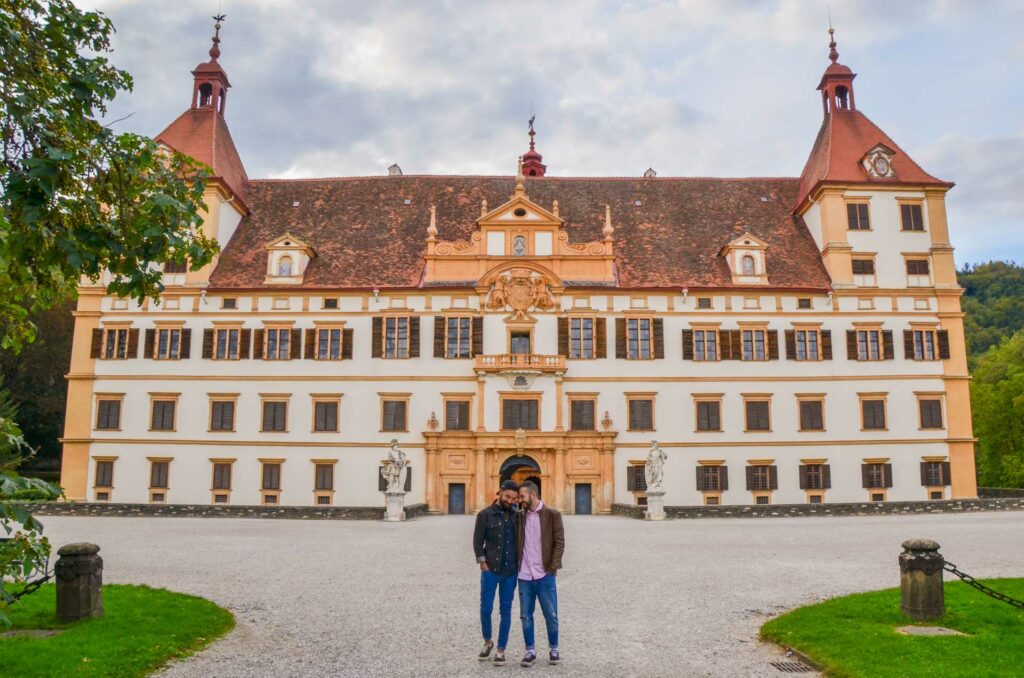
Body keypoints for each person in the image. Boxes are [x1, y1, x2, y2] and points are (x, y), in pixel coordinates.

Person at [516, 480, 564, 667]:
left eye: (522, 496)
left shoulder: (552, 515)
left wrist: (552, 567)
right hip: (524, 575)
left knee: (551, 614)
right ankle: (530, 650)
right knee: (526, 616)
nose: (519, 500)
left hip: (545, 574)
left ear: (533, 495)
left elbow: (559, 542)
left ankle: (554, 648)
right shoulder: (519, 516)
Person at [472, 480, 521, 665]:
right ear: (500, 493)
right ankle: (487, 642)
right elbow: (478, 541)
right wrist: (482, 563)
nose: (511, 500)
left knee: (506, 610)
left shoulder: (518, 515)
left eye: (514, 498)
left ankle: (501, 649)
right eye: (508, 496)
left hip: (510, 571)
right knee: (485, 608)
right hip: (490, 569)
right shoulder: (485, 514)